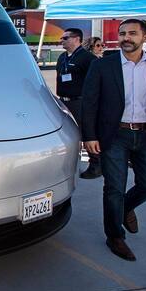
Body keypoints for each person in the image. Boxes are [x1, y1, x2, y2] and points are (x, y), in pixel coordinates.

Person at [81, 18, 146, 261]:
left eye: (132, 33)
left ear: (145, 37)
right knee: (114, 188)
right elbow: (90, 102)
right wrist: (89, 136)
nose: (126, 37)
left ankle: (125, 208)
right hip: (114, 135)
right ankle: (115, 236)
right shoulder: (104, 65)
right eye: (122, 33)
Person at [55, 28, 100, 178]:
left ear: (77, 39)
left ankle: (96, 164)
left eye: (65, 38)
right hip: (64, 102)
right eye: (62, 38)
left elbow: (96, 82)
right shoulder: (62, 57)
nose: (62, 40)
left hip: (80, 102)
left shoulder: (88, 58)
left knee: (87, 133)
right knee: (66, 133)